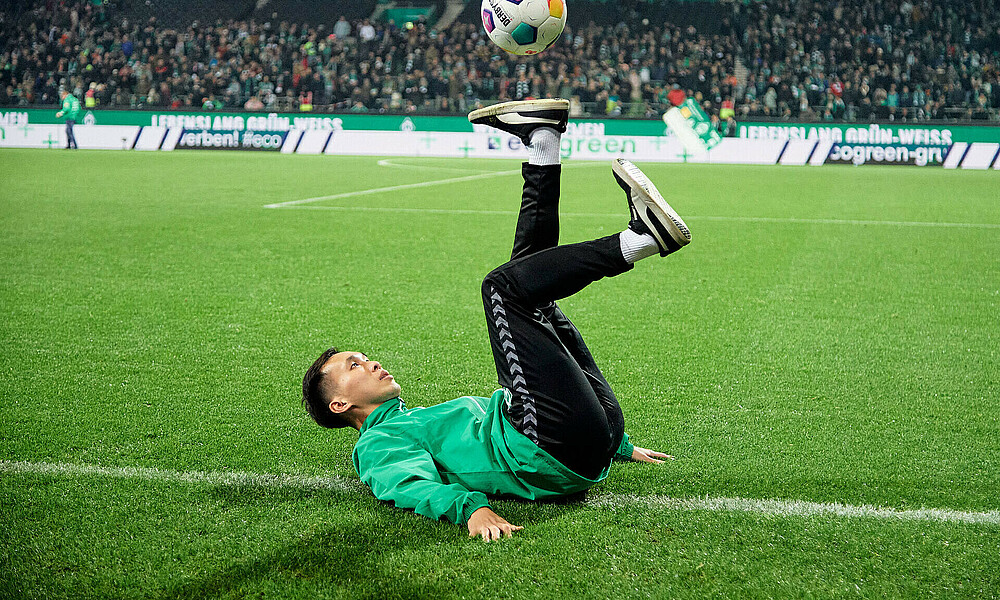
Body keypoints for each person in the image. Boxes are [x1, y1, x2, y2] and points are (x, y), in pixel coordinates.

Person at [301, 99, 691, 542]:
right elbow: (405, 485)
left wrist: (614, 443)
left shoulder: (410, 419)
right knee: (501, 289)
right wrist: (471, 508)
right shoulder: (376, 445)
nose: (370, 363)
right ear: (339, 406)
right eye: (353, 366)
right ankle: (638, 240)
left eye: (362, 357)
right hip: (548, 445)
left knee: (533, 289)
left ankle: (543, 142)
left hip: (586, 434)